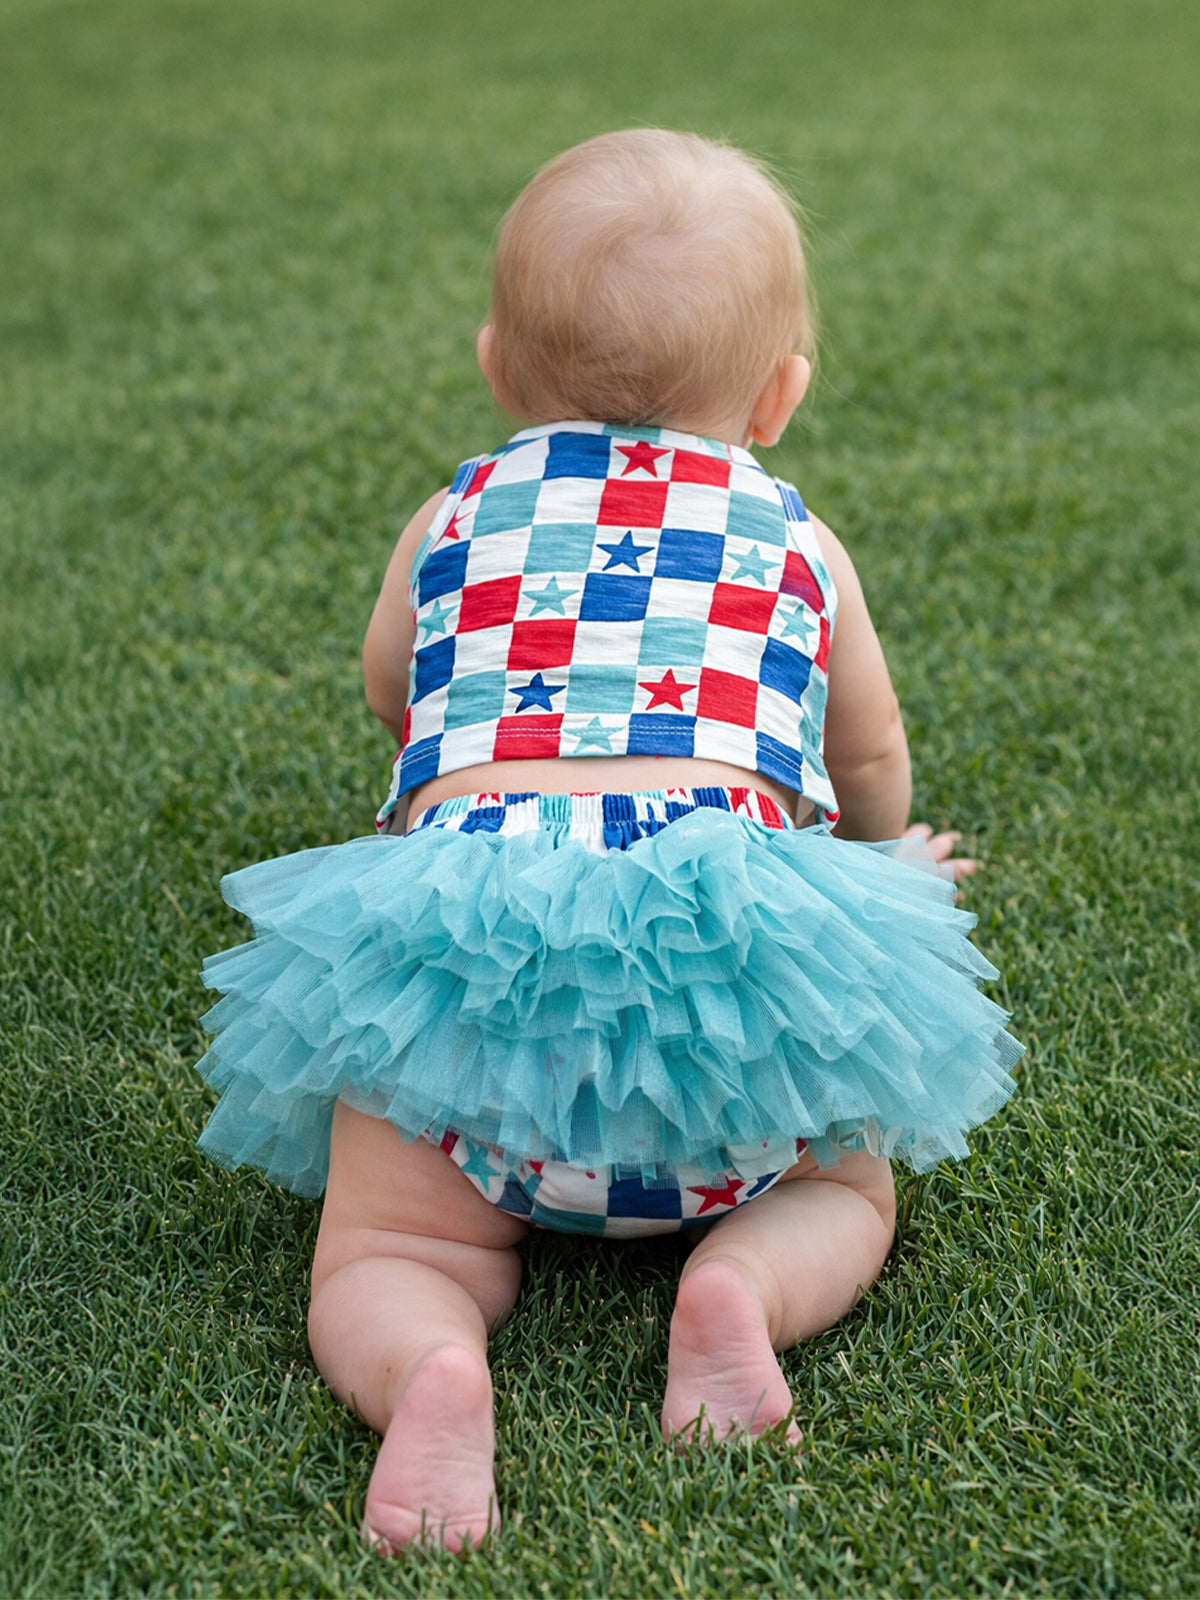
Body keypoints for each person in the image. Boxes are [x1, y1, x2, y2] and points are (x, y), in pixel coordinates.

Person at [194, 129, 1022, 1553]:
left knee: (392, 1239)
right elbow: (865, 757)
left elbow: (394, 688)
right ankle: (739, 1288)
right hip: (739, 999)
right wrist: (879, 873)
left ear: (497, 366)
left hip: (469, 988)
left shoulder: (456, 508)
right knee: (844, 1181)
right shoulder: (796, 537)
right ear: (780, 395)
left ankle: (432, 1362)